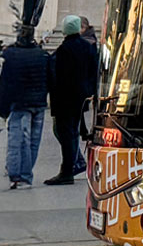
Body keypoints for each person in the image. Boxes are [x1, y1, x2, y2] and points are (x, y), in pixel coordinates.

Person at [43, 16, 95, 185]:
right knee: (73, 132)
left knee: (66, 134)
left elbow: (57, 78)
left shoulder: (63, 50)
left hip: (65, 99)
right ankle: (73, 165)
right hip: (81, 98)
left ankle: (67, 170)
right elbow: (94, 72)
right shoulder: (88, 47)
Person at [0, 26, 49, 188]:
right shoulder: (42, 55)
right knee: (33, 141)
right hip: (39, 103)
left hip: (20, 103)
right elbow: (50, 79)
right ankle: (26, 174)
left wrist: (3, 109)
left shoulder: (11, 55)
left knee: (18, 140)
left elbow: (5, 84)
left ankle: (18, 175)